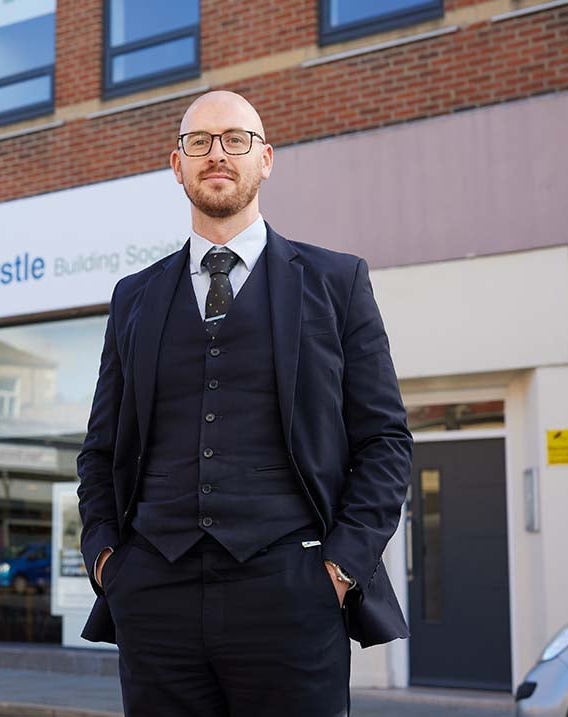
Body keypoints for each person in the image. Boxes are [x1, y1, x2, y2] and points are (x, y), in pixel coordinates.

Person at [76, 91, 412, 717]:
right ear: (177, 166)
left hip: (294, 592)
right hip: (154, 593)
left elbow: (385, 441)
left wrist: (341, 566)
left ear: (266, 159)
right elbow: (100, 449)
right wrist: (106, 558)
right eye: (199, 143)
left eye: (236, 140)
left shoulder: (337, 283)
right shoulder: (134, 297)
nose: (217, 155)